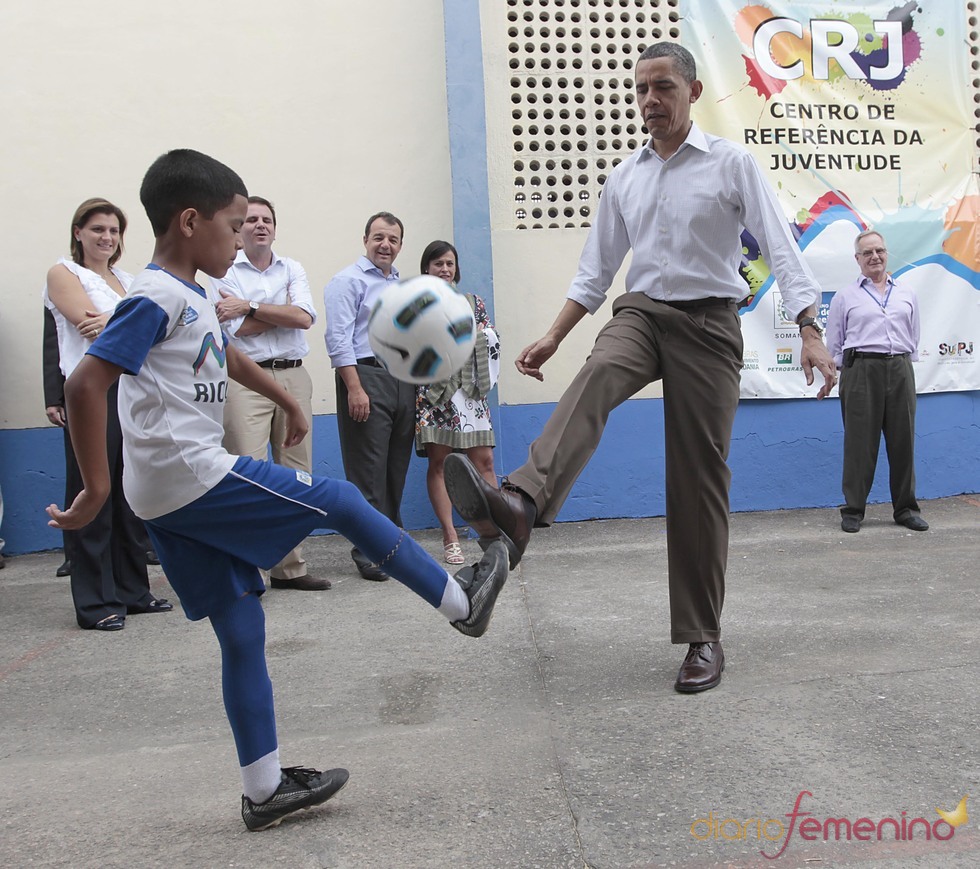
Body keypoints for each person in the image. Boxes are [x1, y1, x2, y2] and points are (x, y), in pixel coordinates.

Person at [46, 149, 509, 831]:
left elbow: (226, 353)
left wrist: (285, 398)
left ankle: (264, 790)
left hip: (165, 492)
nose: (239, 240)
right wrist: (94, 488)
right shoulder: (153, 295)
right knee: (341, 500)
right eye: (233, 226)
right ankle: (461, 602)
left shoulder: (191, 294)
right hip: (191, 474)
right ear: (190, 221)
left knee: (242, 626)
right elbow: (86, 382)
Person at [442, 42, 837, 694]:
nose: (650, 101)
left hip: (709, 325)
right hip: (644, 314)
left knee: (698, 478)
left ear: (693, 92)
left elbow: (780, 245)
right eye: (642, 90)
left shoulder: (731, 163)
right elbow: (595, 272)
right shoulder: (625, 177)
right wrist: (553, 336)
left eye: (663, 88)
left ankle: (702, 634)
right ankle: (521, 501)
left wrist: (810, 328)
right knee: (599, 371)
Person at [43, 198, 172, 631]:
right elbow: (85, 323)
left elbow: (152, 327)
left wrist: (112, 319)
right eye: (98, 229)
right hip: (91, 392)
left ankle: (134, 591)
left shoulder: (129, 280)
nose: (107, 237)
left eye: (114, 230)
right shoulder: (64, 273)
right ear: (78, 232)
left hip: (131, 392)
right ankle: (96, 602)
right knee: (93, 495)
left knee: (130, 495)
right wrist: (125, 320)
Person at [210, 196, 328, 591]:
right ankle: (248, 572)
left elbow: (304, 318)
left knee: (297, 475)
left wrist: (250, 306)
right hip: (247, 380)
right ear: (239, 229)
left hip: (294, 376)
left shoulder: (292, 267)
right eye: (251, 220)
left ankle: (289, 569)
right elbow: (236, 329)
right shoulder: (225, 271)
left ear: (275, 229)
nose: (260, 225)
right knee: (248, 474)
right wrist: (281, 312)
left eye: (267, 220)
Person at [323, 213, 416, 582]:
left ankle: (391, 543)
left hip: (401, 378)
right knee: (368, 471)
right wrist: (354, 387)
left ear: (400, 245)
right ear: (365, 240)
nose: (385, 245)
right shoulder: (347, 281)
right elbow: (338, 339)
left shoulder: (400, 286)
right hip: (366, 375)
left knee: (395, 469)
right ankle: (367, 551)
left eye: (393, 239)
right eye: (378, 237)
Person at [825, 230, 927, 534]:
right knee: (859, 443)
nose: (874, 257)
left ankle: (906, 509)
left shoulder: (906, 293)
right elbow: (834, 342)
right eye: (867, 252)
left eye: (879, 250)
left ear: (886, 253)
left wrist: (901, 362)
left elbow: (914, 334)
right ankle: (853, 510)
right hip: (861, 370)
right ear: (857, 259)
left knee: (903, 441)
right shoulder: (845, 297)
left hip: (899, 367)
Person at [415, 241, 500, 564]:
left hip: (469, 391)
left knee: (485, 461)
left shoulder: (473, 303)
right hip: (436, 393)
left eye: (450, 263)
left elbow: (489, 337)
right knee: (439, 463)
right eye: (438, 263)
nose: (445, 269)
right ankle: (450, 536)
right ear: (427, 268)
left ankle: (495, 532)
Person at [42, 307, 73, 577]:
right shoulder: (61, 288)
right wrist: (53, 398)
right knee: (81, 476)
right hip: (78, 388)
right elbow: (54, 342)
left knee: (129, 472)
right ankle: (76, 552)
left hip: (128, 389)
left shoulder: (127, 286)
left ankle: (140, 546)